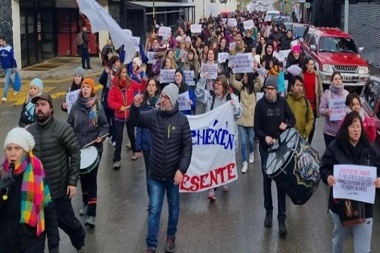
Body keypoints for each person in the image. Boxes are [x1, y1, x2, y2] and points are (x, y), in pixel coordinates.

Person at [130, 83, 192, 253]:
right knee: (155, 209)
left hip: (173, 176)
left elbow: (187, 147)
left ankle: (171, 236)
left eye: (165, 97)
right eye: (161, 96)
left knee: (174, 207)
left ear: (172, 100)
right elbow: (135, 120)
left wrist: (182, 170)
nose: (162, 99)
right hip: (155, 175)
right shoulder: (153, 115)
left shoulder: (182, 121)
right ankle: (151, 245)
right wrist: (135, 106)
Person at [27, 92, 86, 253]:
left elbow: (75, 152)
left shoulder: (62, 128)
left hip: (58, 191)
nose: (39, 108)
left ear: (51, 108)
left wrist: (73, 182)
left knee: (68, 223)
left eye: (43, 105)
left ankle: (80, 243)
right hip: (37, 194)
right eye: (37, 105)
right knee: (39, 231)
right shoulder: (29, 132)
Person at [320, 111, 380, 253]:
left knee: (363, 249)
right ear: (346, 128)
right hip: (341, 206)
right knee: (339, 243)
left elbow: (378, 167)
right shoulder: (335, 147)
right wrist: (328, 177)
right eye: (352, 126)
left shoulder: (370, 149)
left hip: (365, 208)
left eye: (358, 126)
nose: (356, 130)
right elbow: (324, 167)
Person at [0, 127, 59, 253]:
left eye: (17, 148)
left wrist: (54, 246)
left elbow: (49, 209)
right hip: (7, 242)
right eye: (9, 149)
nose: (12, 153)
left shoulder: (37, 173)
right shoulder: (2, 174)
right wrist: (1, 189)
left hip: (32, 241)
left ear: (25, 151)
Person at [254, 75, 296, 236]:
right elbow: (256, 128)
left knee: (281, 184)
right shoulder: (260, 105)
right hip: (266, 148)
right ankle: (268, 213)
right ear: (264, 90)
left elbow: (293, 118)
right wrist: (264, 137)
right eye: (267, 89)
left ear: (276, 90)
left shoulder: (283, 102)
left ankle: (282, 218)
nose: (269, 92)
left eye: (272, 89)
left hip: (281, 149)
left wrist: (288, 124)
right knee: (266, 182)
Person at [67, 78, 109, 227]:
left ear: (92, 90)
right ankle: (85, 203)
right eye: (83, 87)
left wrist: (101, 137)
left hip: (94, 149)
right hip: (79, 149)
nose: (85, 89)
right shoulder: (76, 107)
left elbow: (105, 125)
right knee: (83, 179)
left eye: (87, 87)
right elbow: (68, 125)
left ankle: (92, 213)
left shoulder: (97, 106)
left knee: (91, 180)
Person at [196, 74, 242, 200]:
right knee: (213, 161)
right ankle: (212, 189)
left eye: (219, 84)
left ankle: (224, 180)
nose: (215, 85)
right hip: (213, 136)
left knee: (224, 160)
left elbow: (238, 114)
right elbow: (199, 93)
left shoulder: (232, 98)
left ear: (225, 87)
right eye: (215, 83)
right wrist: (202, 79)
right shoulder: (210, 97)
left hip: (226, 137)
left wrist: (235, 106)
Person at [108, 64, 143, 169]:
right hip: (119, 117)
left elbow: (141, 86)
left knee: (131, 135)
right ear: (118, 74)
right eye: (123, 72)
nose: (125, 74)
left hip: (129, 115)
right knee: (118, 138)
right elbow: (110, 102)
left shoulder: (131, 83)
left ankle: (134, 151)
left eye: (125, 72)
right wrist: (119, 107)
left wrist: (142, 79)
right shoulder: (114, 87)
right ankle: (117, 159)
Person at [135, 78, 160, 197]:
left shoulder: (161, 102)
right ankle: (152, 198)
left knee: (158, 172)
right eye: (149, 85)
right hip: (146, 144)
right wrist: (138, 146)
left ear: (156, 88)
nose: (151, 87)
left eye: (153, 85)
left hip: (158, 144)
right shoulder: (142, 103)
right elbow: (139, 126)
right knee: (149, 173)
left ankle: (157, 196)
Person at [229, 72, 258, 173]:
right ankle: (245, 162)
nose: (244, 77)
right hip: (241, 118)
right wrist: (232, 72)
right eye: (244, 76)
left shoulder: (254, 87)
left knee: (250, 140)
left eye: (246, 76)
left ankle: (251, 152)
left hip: (251, 118)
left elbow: (262, 83)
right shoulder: (241, 86)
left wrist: (257, 73)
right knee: (244, 142)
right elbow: (232, 82)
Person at [319, 72, 349, 148]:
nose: (338, 81)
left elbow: (350, 108)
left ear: (342, 80)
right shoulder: (327, 94)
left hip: (343, 132)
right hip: (329, 132)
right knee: (331, 154)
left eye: (339, 79)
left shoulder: (346, 94)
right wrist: (326, 111)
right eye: (335, 79)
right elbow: (320, 109)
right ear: (332, 81)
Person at [299, 58, 323, 144]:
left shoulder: (316, 75)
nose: (312, 66)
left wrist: (321, 102)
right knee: (303, 124)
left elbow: (320, 90)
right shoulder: (302, 75)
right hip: (304, 104)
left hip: (313, 105)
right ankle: (302, 142)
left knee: (312, 126)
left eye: (313, 64)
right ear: (306, 65)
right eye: (310, 64)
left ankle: (309, 143)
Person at [99, 55, 121, 147]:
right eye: (117, 61)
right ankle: (110, 134)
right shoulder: (108, 71)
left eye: (119, 61)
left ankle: (115, 138)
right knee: (107, 119)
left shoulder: (119, 73)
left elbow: (121, 84)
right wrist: (105, 72)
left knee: (115, 119)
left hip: (115, 100)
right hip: (106, 99)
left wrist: (114, 79)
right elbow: (101, 81)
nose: (118, 63)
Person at [0, 35, 18, 102]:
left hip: (9, 68)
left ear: (4, 41)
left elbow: (12, 58)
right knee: (9, 80)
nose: (0, 42)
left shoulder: (9, 48)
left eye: (1, 41)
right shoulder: (0, 49)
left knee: (6, 82)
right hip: (4, 67)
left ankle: (4, 96)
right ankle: (16, 89)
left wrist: (15, 67)